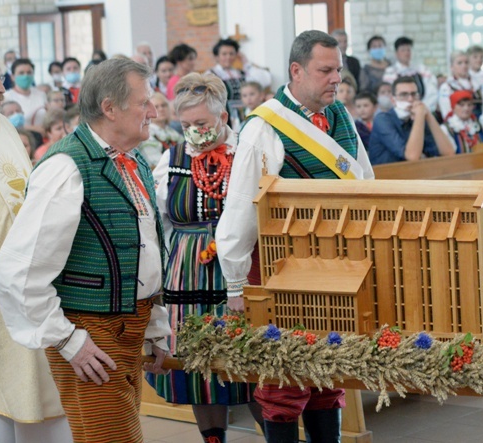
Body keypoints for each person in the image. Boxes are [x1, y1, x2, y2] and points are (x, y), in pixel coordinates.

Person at [0, 57, 171, 443]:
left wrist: (154, 326)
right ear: (110, 107)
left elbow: (144, 249)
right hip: (91, 330)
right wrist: (69, 340)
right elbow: (17, 272)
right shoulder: (65, 168)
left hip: (129, 325)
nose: (154, 112)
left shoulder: (135, 161)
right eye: (144, 103)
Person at [216, 30, 374, 443]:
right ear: (296, 71)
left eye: (338, 69)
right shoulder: (263, 127)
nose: (335, 79)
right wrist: (235, 284)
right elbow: (239, 208)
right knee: (284, 378)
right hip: (281, 268)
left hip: (338, 265)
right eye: (325, 70)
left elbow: (366, 182)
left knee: (328, 371)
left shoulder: (341, 116)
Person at [147, 72, 261, 443]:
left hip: (239, 269)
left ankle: (277, 433)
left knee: (249, 359)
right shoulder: (173, 159)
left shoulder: (245, 152)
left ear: (224, 117)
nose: (194, 131)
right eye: (186, 125)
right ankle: (213, 438)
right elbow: (159, 219)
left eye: (201, 123)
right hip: (187, 273)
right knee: (198, 365)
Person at [0, 46, 72, 443]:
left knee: (33, 382)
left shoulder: (3, 127)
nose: (1, 88)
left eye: (0, 77)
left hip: (23, 277)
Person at [369, 76, 454, 165]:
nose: (410, 99)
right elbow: (412, 157)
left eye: (414, 94)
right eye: (404, 95)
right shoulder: (382, 119)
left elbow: (448, 152)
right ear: (393, 100)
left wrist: (428, 115)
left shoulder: (417, 117)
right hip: (386, 176)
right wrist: (420, 116)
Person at [207, 38, 272, 131]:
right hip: (223, 116)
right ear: (217, 56)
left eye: (231, 53)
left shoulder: (241, 72)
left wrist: (246, 62)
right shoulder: (211, 74)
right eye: (224, 54)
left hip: (244, 113)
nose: (228, 57)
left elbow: (266, 80)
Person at [382, 36, 438, 112]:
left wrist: (422, 108)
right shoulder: (390, 72)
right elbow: (390, 94)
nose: (406, 53)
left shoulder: (422, 69)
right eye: (403, 50)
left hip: (423, 109)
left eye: (408, 50)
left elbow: (432, 91)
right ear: (396, 53)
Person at [137, 92, 183, 169]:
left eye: (163, 105)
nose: (161, 109)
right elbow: (156, 163)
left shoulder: (173, 132)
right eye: (156, 107)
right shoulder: (146, 134)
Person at [3, 58, 47, 128]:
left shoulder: (41, 94)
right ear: (12, 77)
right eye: (21, 73)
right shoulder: (6, 97)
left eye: (29, 72)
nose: (25, 76)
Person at [438, 51, 481, 120]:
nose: (464, 66)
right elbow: (447, 112)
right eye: (459, 63)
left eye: (466, 62)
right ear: (452, 67)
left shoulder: (477, 83)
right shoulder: (446, 87)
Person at [440, 90, 483, 154]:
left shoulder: (477, 125)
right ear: (453, 107)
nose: (466, 108)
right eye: (462, 105)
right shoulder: (446, 128)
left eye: (469, 105)